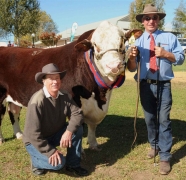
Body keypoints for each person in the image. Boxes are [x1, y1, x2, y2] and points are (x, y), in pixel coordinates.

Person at [127, 4, 185, 175]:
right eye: (147, 18)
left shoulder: (169, 37)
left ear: (159, 20)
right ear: (143, 22)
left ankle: (165, 157)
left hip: (164, 84)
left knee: (164, 119)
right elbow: (131, 68)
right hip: (145, 84)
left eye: (154, 17)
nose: (151, 20)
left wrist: (166, 54)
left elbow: (181, 58)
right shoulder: (136, 42)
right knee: (150, 119)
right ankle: (154, 145)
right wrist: (131, 58)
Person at [23, 63, 88, 176]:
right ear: (43, 81)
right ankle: (36, 162)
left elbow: (77, 114)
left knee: (77, 130)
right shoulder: (37, 101)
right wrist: (50, 151)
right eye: (51, 78)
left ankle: (73, 164)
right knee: (58, 164)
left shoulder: (65, 95)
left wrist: (68, 131)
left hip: (55, 134)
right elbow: (32, 134)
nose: (55, 81)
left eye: (57, 78)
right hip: (35, 141)